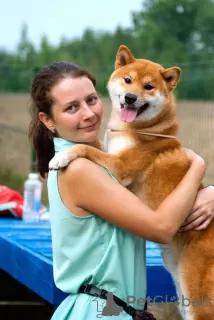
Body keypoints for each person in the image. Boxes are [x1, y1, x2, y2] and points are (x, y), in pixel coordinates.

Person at [29, 61, 214, 320]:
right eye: (72, 108)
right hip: (100, 311)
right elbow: (161, 228)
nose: (88, 114)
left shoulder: (104, 156)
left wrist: (210, 193)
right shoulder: (78, 168)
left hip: (116, 309)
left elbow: (157, 181)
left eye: (91, 100)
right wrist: (198, 166)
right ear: (47, 120)